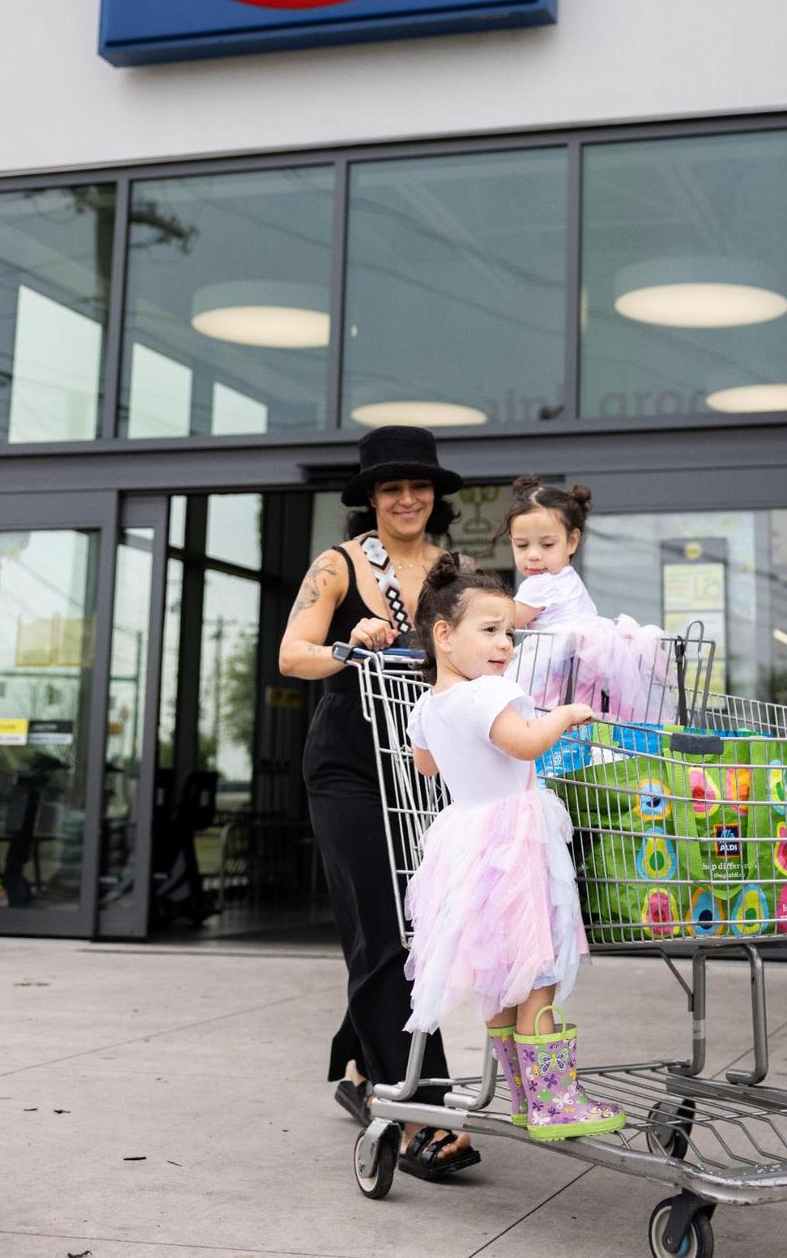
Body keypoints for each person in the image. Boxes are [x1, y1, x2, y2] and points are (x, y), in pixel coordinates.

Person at [278, 425, 480, 1182]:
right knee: (380, 924)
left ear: (435, 495)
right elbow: (292, 651)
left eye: (418, 485)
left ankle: (358, 1064)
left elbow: (487, 646)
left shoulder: (456, 571)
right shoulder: (338, 565)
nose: (406, 497)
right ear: (368, 497)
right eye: (390, 487)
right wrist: (350, 644)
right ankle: (424, 1109)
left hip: (425, 769)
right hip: (348, 768)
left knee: (411, 927)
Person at [403, 554, 625, 1142]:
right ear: (443, 635)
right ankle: (557, 1105)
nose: (504, 644)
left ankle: (528, 1099)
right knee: (539, 968)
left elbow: (426, 766)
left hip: (468, 841)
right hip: (516, 838)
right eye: (490, 630)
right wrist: (568, 716)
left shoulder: (430, 706)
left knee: (501, 975)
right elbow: (525, 745)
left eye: (509, 633)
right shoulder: (490, 695)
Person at [503, 475, 669, 721]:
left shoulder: (538, 585)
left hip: (554, 677)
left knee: (529, 718)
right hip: (584, 680)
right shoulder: (571, 579)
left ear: (572, 541)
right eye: (522, 545)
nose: (534, 555)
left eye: (547, 545)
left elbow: (505, 623)